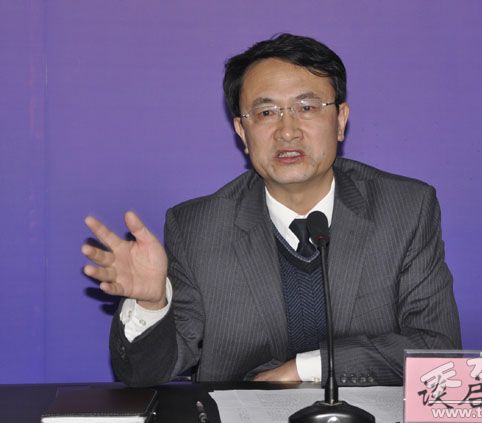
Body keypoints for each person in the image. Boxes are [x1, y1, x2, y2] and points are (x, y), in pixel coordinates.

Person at [81, 33, 461, 387]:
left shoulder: (404, 209)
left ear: (340, 120)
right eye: (266, 113)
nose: (287, 131)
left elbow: (436, 351)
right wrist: (151, 303)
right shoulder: (197, 228)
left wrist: (305, 368)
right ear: (242, 132)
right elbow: (144, 375)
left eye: (307, 107)